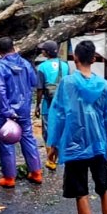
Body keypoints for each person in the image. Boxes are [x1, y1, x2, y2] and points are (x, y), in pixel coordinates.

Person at [46, 40, 107, 214]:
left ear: (75, 58)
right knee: (104, 189)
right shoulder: (104, 86)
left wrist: (53, 144)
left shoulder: (67, 83)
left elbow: (58, 114)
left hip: (74, 146)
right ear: (94, 59)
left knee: (81, 193)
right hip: (99, 144)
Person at [0, 37, 41, 188]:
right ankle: (36, 172)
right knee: (28, 138)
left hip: (5, 111)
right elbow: (33, 82)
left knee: (6, 142)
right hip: (24, 109)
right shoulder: (25, 64)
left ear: (0, 50)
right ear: (14, 47)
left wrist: (6, 109)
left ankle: (9, 177)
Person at [34, 40, 68, 171]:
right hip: (63, 105)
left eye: (43, 50)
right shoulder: (65, 65)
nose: (42, 51)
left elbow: (40, 89)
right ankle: (58, 156)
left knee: (48, 132)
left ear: (46, 52)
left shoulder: (41, 67)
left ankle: (50, 160)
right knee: (60, 129)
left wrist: (37, 105)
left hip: (48, 105)